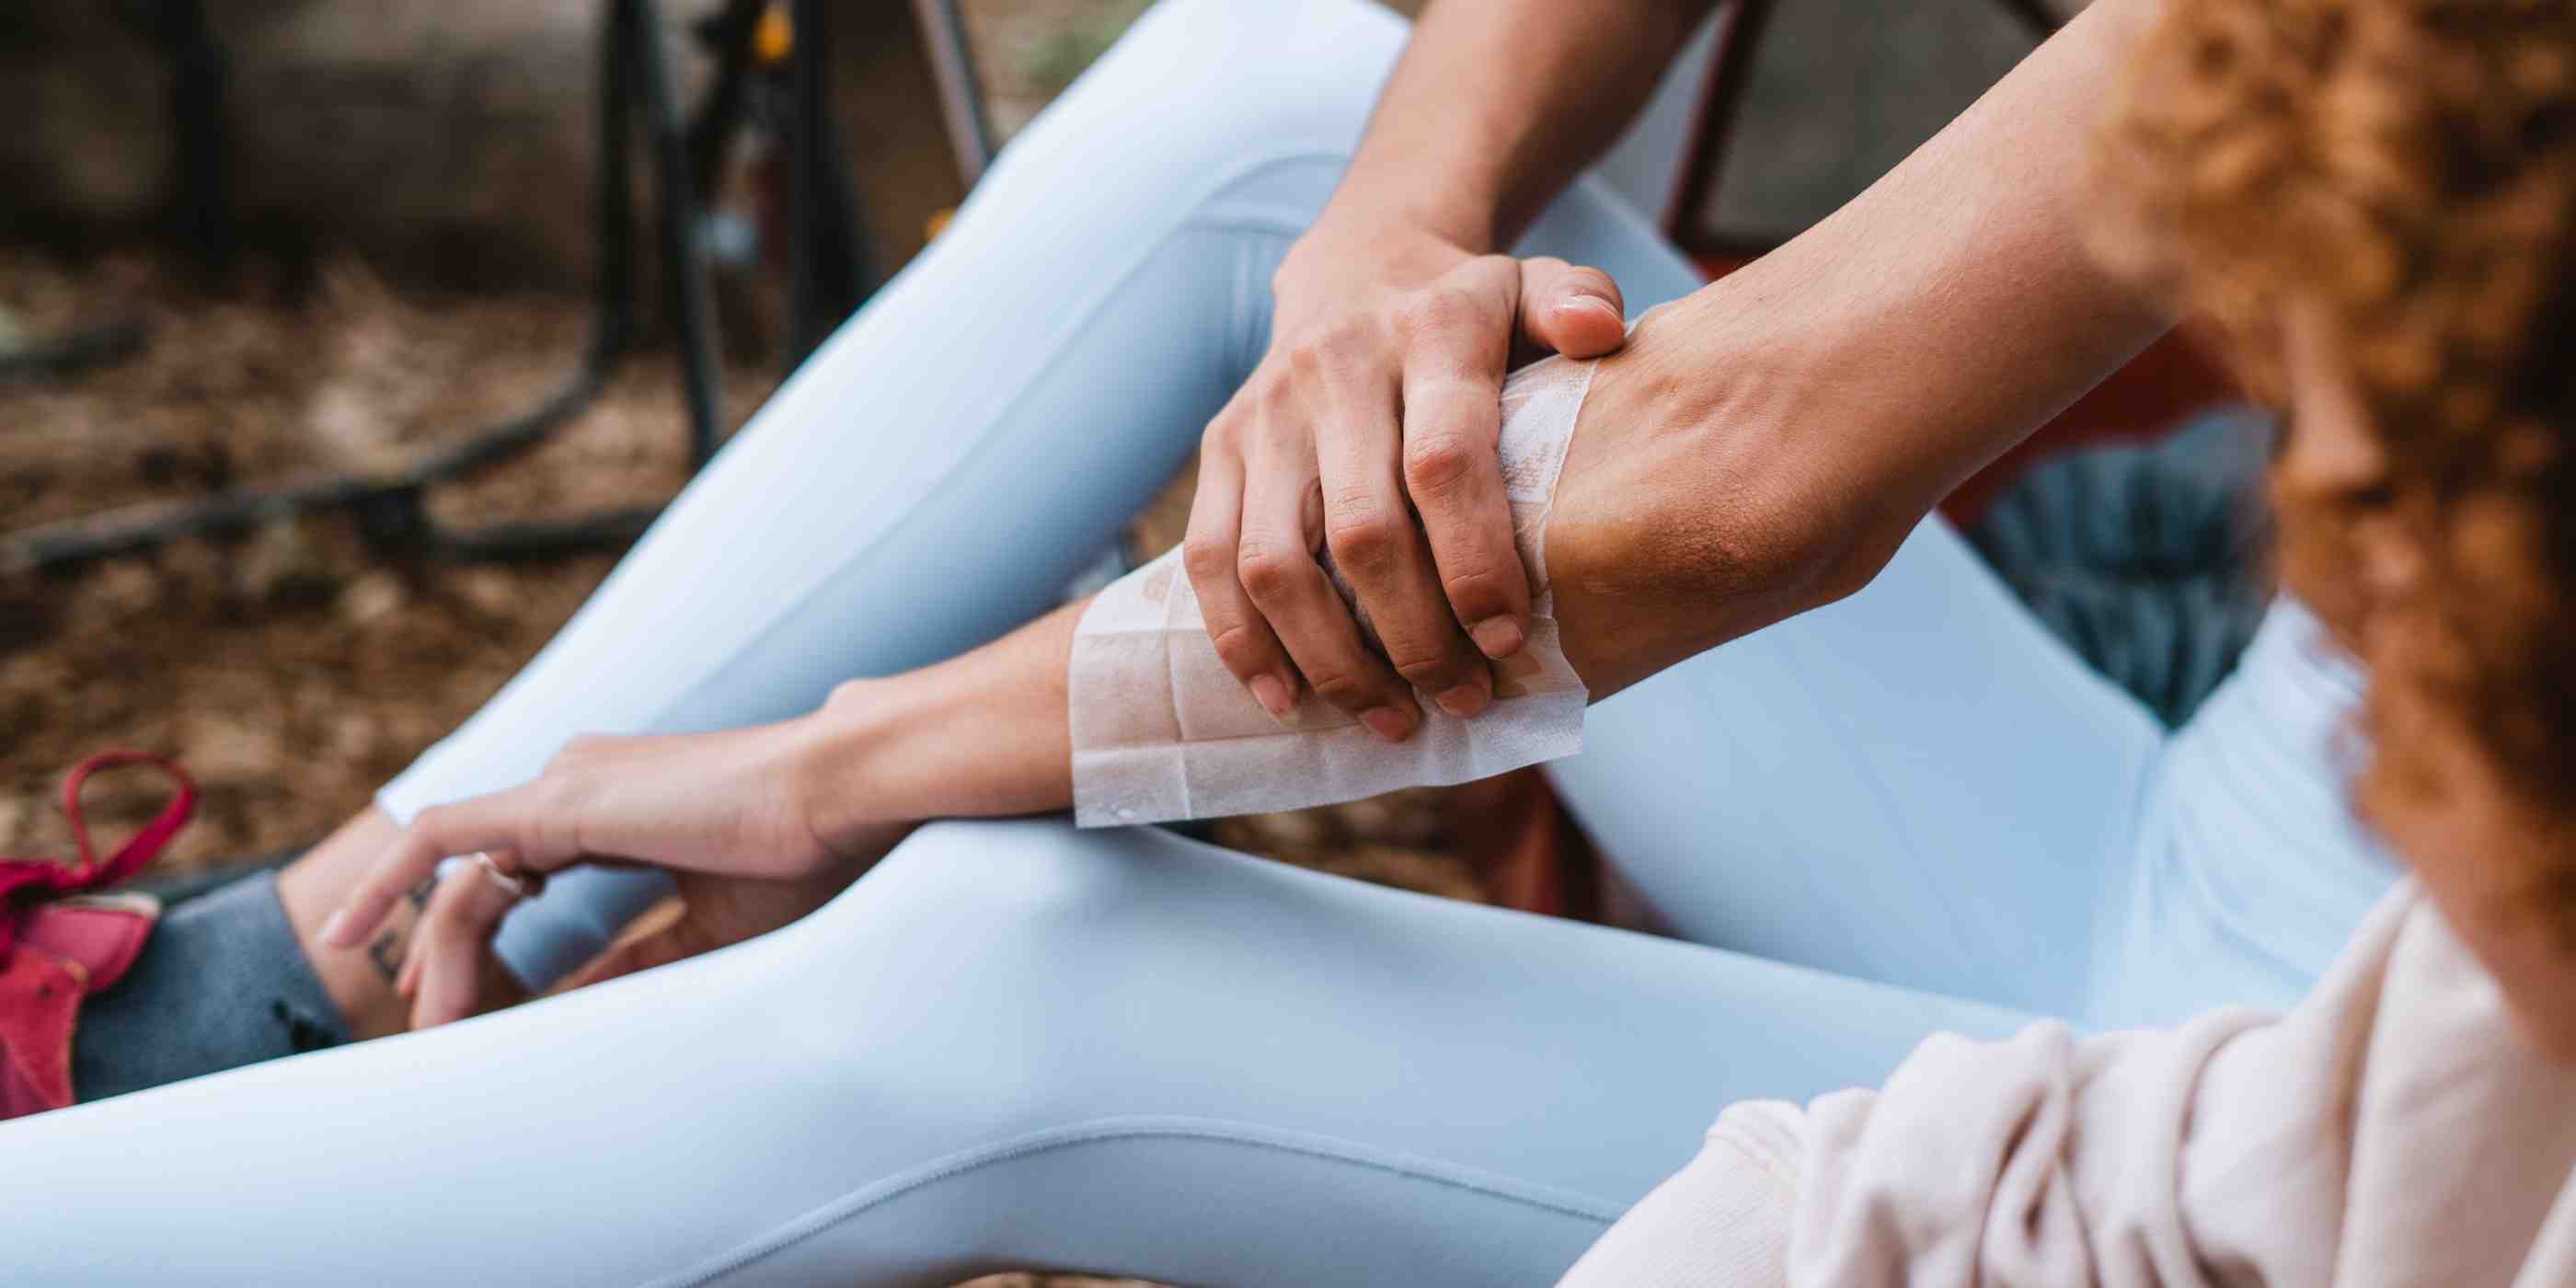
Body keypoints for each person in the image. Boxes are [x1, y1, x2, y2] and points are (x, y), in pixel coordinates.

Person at [4, 0, 2569, 1281]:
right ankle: (277, 982)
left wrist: (843, 760)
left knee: (1007, 966)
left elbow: (1738, 491)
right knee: (1279, 100)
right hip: (2205, 838)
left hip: (2389, 1113)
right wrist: (1388, 244)